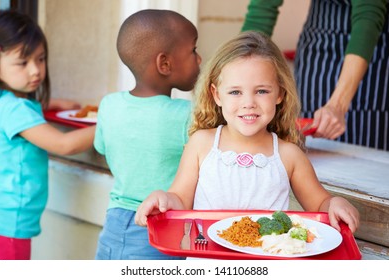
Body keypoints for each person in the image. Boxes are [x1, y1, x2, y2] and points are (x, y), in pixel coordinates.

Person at [135, 31, 359, 237]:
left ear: (280, 94)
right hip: (208, 260)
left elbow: (320, 204)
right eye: (235, 92)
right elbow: (180, 199)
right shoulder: (201, 144)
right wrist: (163, 198)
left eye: (261, 91)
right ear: (217, 95)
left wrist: (335, 203)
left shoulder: (289, 155)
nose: (248, 103)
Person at [93, 9, 201, 260]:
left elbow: (101, 148)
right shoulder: (188, 115)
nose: (199, 59)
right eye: (193, 50)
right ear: (165, 64)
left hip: (114, 224)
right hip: (158, 224)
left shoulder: (109, 105)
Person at [0, 10, 96, 260]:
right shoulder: (15, 109)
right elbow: (63, 145)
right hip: (10, 221)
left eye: (40, 59)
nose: (35, 71)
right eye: (23, 63)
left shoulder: (9, 101)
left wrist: (52, 103)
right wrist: (110, 122)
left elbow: (22, 113)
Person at [242, 0, 389, 151]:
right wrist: (239, 71)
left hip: (369, 47)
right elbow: (263, 8)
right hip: (317, 46)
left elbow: (368, 14)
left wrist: (337, 105)